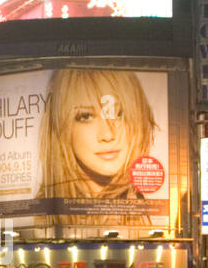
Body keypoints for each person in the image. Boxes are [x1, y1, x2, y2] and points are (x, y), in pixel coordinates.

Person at [35, 68, 163, 227]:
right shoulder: (35, 218)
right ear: (62, 128)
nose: (108, 135)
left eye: (119, 113)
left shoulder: (161, 218)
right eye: (86, 116)